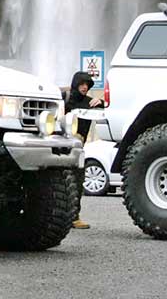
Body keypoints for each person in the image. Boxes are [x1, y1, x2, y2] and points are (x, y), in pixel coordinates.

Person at [64, 70, 96, 230]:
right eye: (81, 84)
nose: (84, 87)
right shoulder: (64, 100)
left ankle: (74, 217)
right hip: (61, 146)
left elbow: (108, 109)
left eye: (87, 85)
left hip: (79, 147)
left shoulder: (90, 102)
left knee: (78, 180)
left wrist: (101, 101)